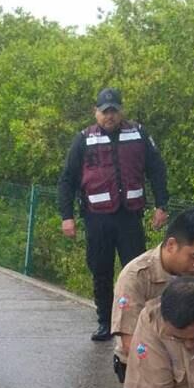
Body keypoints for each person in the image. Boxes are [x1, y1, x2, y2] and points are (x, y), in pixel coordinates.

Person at [58, 88, 169, 342]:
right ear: (95, 112)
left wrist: (162, 204)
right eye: (105, 111)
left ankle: (140, 322)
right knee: (101, 270)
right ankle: (105, 323)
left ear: (121, 111)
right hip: (97, 218)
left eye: (114, 111)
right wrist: (67, 216)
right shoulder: (84, 139)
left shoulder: (138, 134)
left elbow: (157, 170)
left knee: (138, 271)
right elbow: (66, 180)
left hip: (129, 216)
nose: (110, 116)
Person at [111, 207, 194, 388]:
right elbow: (129, 342)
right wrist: (174, 367)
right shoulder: (136, 276)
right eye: (193, 257)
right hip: (142, 357)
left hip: (188, 355)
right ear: (171, 245)